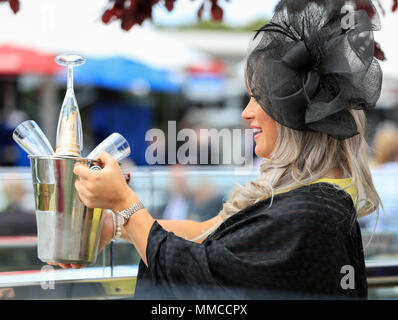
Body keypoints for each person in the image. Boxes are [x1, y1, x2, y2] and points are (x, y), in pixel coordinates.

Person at [51, 0, 383, 299]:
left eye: (259, 98)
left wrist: (123, 202)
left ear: (295, 116)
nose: (246, 112)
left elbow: (205, 279)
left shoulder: (311, 213)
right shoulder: (308, 196)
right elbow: (207, 233)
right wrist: (115, 227)